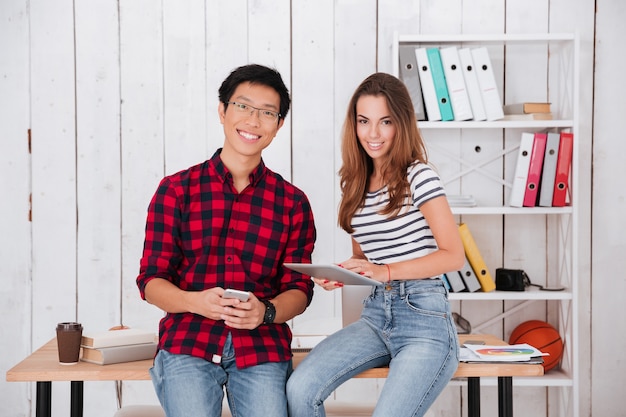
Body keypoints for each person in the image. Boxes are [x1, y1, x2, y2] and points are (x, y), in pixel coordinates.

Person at [136, 64, 316, 417]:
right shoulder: (176, 190)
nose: (253, 120)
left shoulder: (292, 202)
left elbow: (299, 289)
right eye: (243, 106)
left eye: (267, 113)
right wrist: (194, 301)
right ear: (222, 111)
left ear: (278, 126)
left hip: (261, 347)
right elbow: (150, 281)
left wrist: (265, 312)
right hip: (188, 341)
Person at [286, 72, 465, 417]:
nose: (373, 133)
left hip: (424, 319)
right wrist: (344, 272)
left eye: (385, 122)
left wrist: (384, 271)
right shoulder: (356, 184)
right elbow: (364, 258)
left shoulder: (419, 176)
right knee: (299, 388)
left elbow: (453, 255)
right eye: (364, 121)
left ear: (401, 123)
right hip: (375, 316)